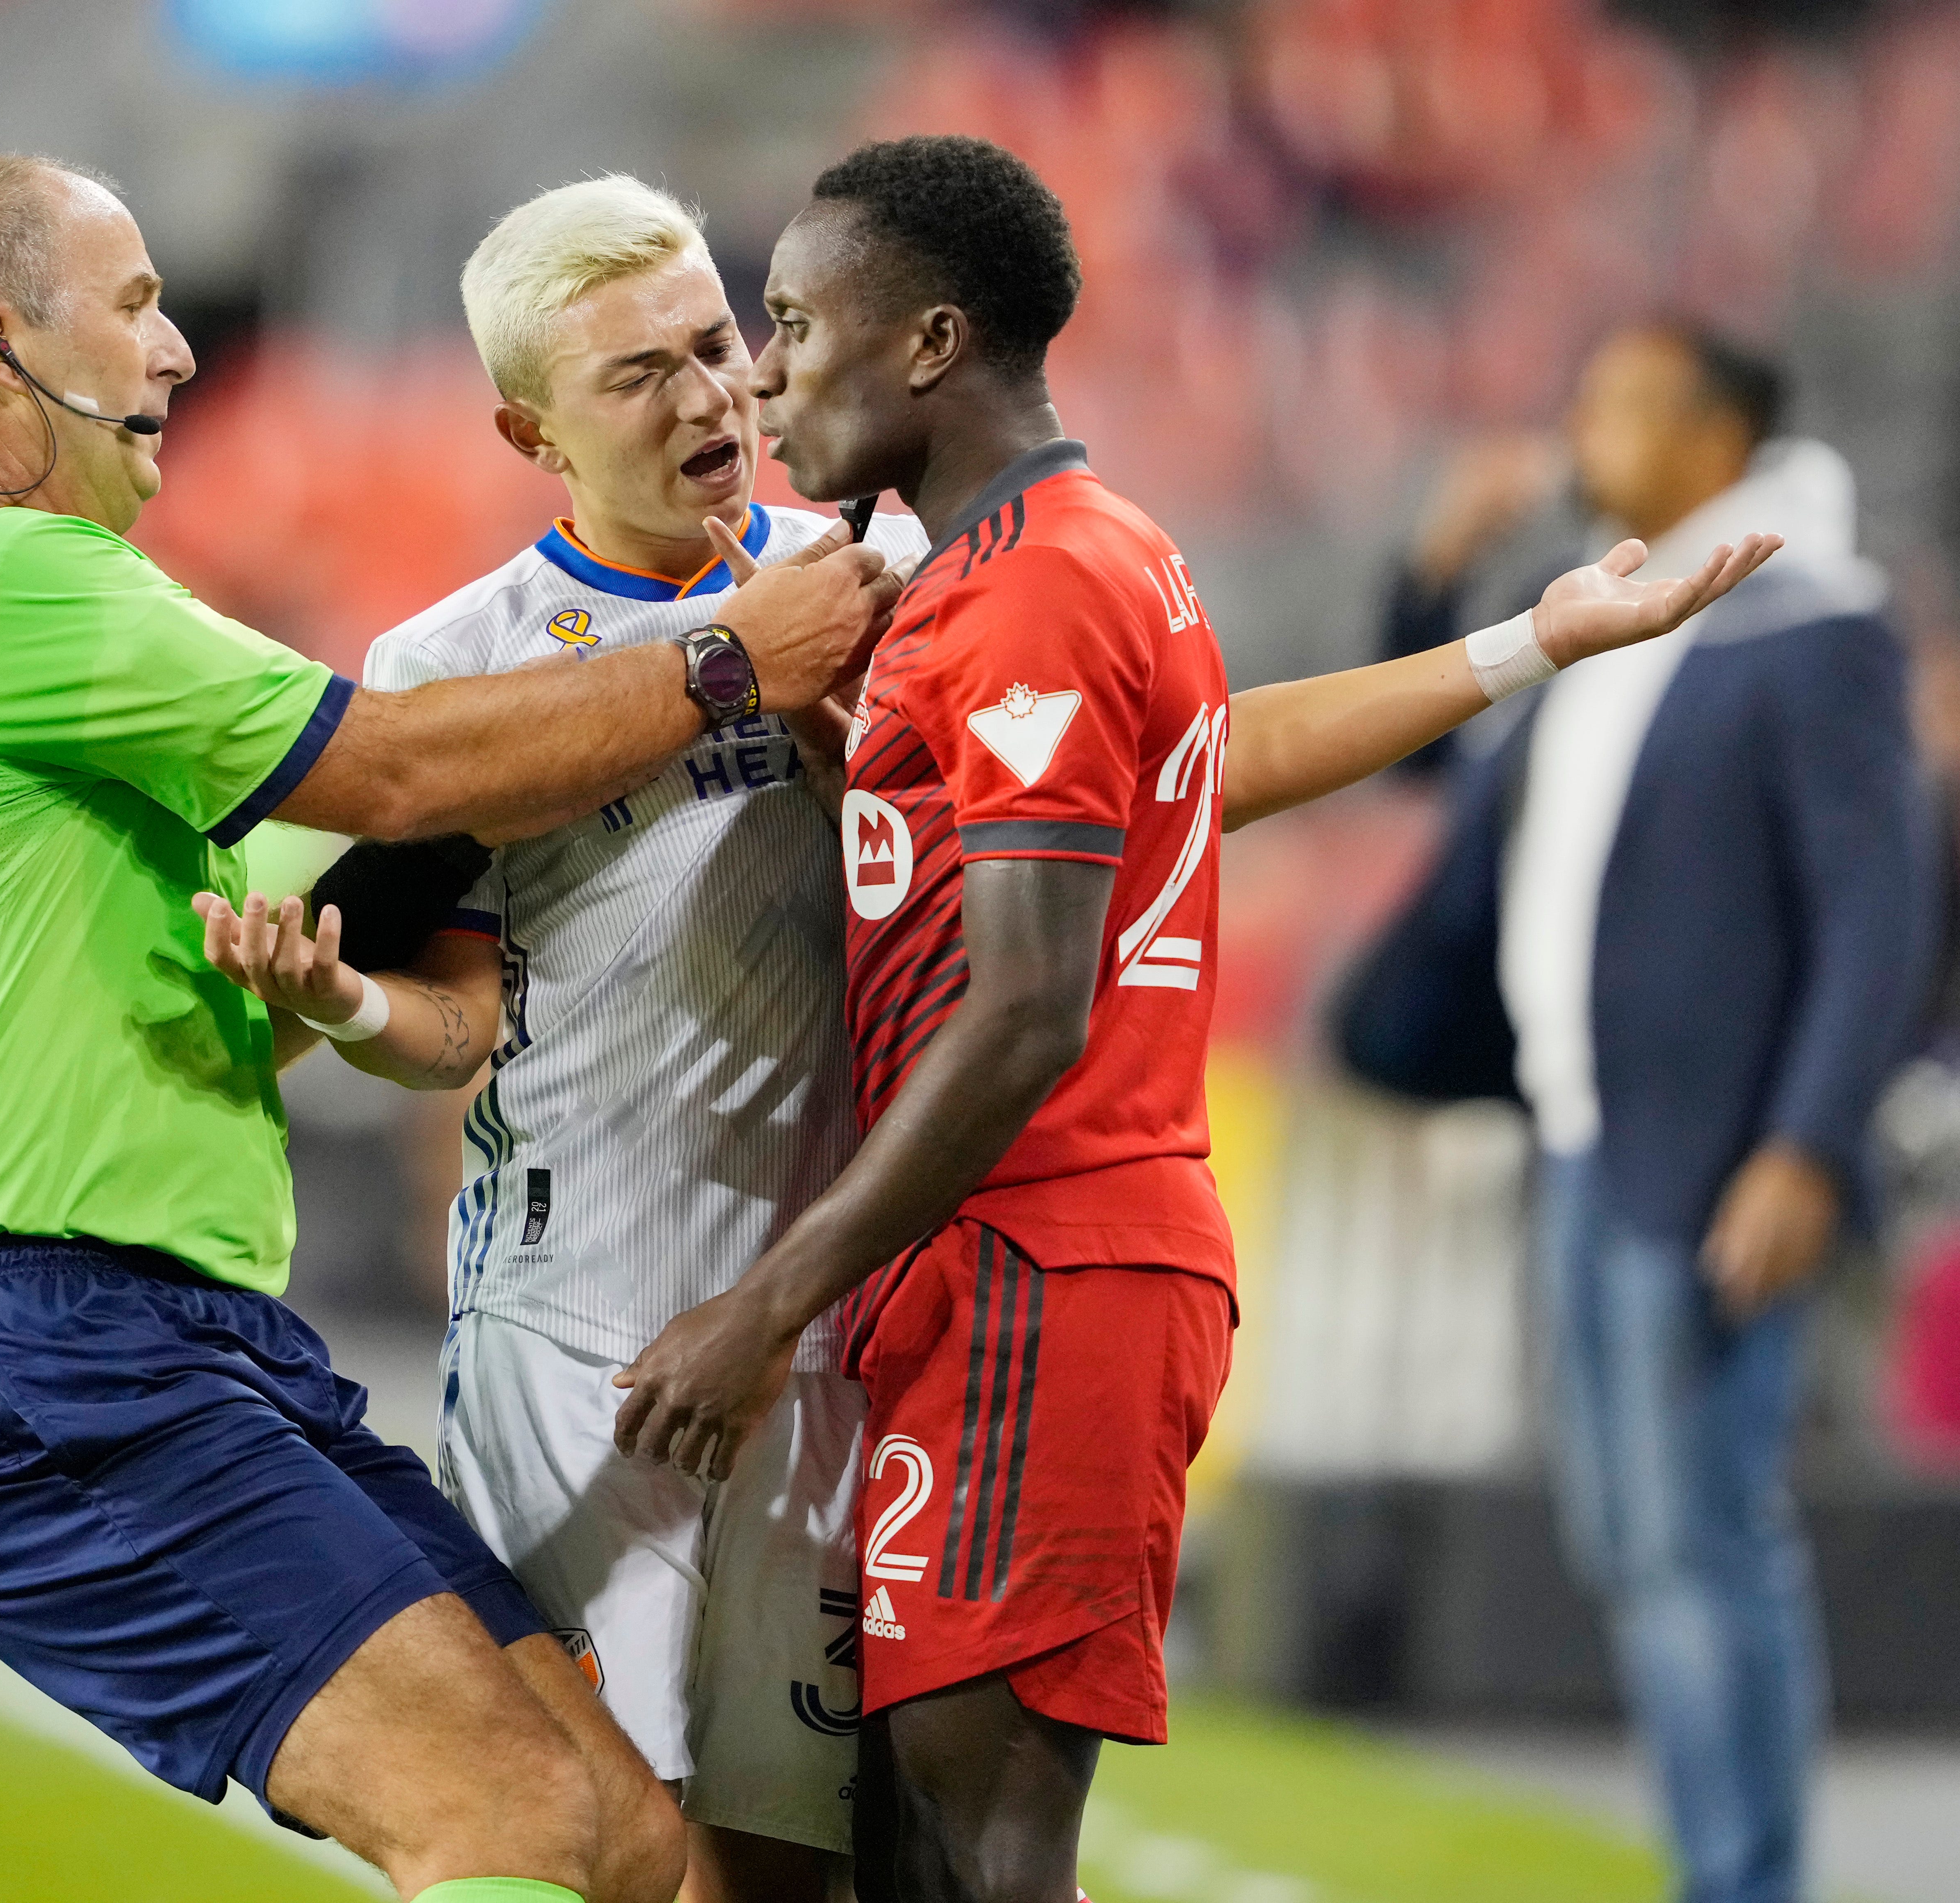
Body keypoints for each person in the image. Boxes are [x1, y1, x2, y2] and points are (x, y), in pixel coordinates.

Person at [591, 137, 1776, 1903]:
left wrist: (768, 1305)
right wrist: (1520, 643)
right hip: (995, 1266)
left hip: (1042, 1269)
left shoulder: (1041, 585)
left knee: (983, 1850)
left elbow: (1025, 1012)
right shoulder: (1047, 558)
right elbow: (1201, 773)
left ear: (922, 343)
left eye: (788, 324)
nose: (762, 373)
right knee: (914, 1841)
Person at [0, 153, 898, 1903]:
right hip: (43, 1341)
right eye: (134, 308)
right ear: (1, 349)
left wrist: (344, 991)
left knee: (626, 1841)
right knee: (505, 1820)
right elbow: (398, 767)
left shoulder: (6, 621)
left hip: (166, 1330)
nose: (177, 358)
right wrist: (728, 659)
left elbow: (335, 910)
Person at [204, 174, 931, 1903]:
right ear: (528, 426)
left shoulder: (869, 587)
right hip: (573, 1337)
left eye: (714, 347)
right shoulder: (456, 666)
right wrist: (347, 1004)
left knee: (789, 1865)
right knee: (619, 1849)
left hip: (810, 1319)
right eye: (638, 376)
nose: (707, 399)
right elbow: (458, 1019)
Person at [1342, 323, 1938, 1903]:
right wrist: (1434, 576)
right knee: (1637, 1546)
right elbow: (1447, 790)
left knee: (1699, 1545)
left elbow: (1881, 909)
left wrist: (1806, 1146)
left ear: (1716, 436)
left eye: (1617, 404)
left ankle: (1743, 1884)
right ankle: (1720, 1868)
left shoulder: (1812, 627)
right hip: (1582, 1138)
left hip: (1710, 1155)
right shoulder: (1636, 626)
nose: (1579, 431)